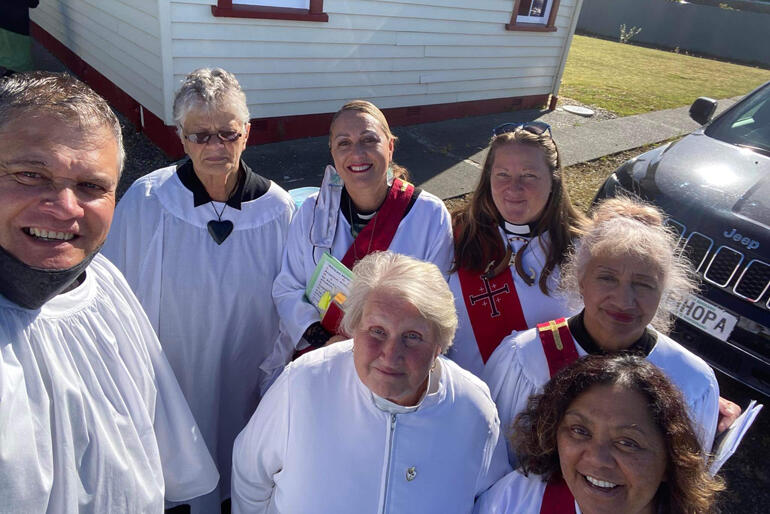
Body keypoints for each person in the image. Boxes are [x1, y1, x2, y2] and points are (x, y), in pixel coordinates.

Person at [0, 72, 217, 511]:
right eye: (29, 174)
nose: (64, 208)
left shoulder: (104, 286)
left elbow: (153, 431)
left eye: (92, 186)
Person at [102, 68, 294, 513]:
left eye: (227, 133)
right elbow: (112, 292)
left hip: (246, 374)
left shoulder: (278, 210)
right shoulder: (147, 201)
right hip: (174, 377)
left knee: (240, 466)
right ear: (181, 137)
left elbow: (292, 298)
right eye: (201, 135)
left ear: (246, 133)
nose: (216, 147)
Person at [232, 251, 510, 513]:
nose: (391, 354)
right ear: (353, 329)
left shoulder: (472, 409)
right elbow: (250, 477)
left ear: (439, 345)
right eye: (377, 331)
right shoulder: (303, 383)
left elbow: (489, 499)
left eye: (412, 336)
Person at [483, 197, 721, 461]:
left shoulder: (691, 379)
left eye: (644, 284)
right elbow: (492, 462)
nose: (623, 300)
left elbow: (686, 481)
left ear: (664, 293)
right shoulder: (524, 358)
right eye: (607, 278)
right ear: (581, 280)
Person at [262, 100, 453, 385]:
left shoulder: (429, 214)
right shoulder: (313, 211)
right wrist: (325, 339)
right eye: (344, 143)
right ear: (333, 153)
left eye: (369, 140)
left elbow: (435, 307)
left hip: (392, 364)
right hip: (322, 357)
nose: (357, 153)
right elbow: (288, 288)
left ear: (390, 147)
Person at [475, 354, 724, 513]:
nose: (597, 459)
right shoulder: (517, 497)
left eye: (627, 443)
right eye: (580, 431)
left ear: (671, 461)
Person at [448, 122, 585, 377]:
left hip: (536, 408)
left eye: (529, 175)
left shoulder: (584, 250)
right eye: (502, 174)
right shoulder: (455, 234)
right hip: (461, 402)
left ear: (554, 180)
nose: (514, 187)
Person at [0, 1, 39, 76]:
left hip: (2, 18)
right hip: (17, 24)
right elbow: (33, 3)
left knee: (4, 48)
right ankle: (15, 76)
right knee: (20, 57)